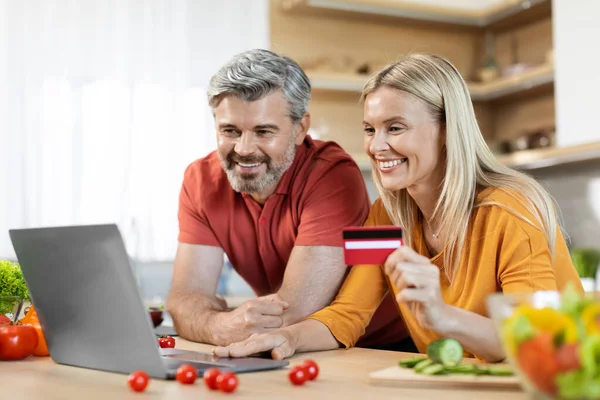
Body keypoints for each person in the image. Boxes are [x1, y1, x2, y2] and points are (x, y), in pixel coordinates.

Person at [212, 53, 584, 362]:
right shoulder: (384, 217)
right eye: (371, 130)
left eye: (395, 127)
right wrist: (288, 338)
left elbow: (537, 341)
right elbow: (347, 315)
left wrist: (441, 315)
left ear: (446, 131)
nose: (376, 146)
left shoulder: (511, 211)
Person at [166, 49, 408, 349]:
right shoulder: (200, 180)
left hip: (380, 345)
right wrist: (217, 326)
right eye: (230, 130)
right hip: (291, 347)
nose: (243, 148)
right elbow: (182, 302)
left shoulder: (333, 174)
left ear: (300, 129)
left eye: (263, 131)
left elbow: (291, 313)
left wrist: (208, 320)